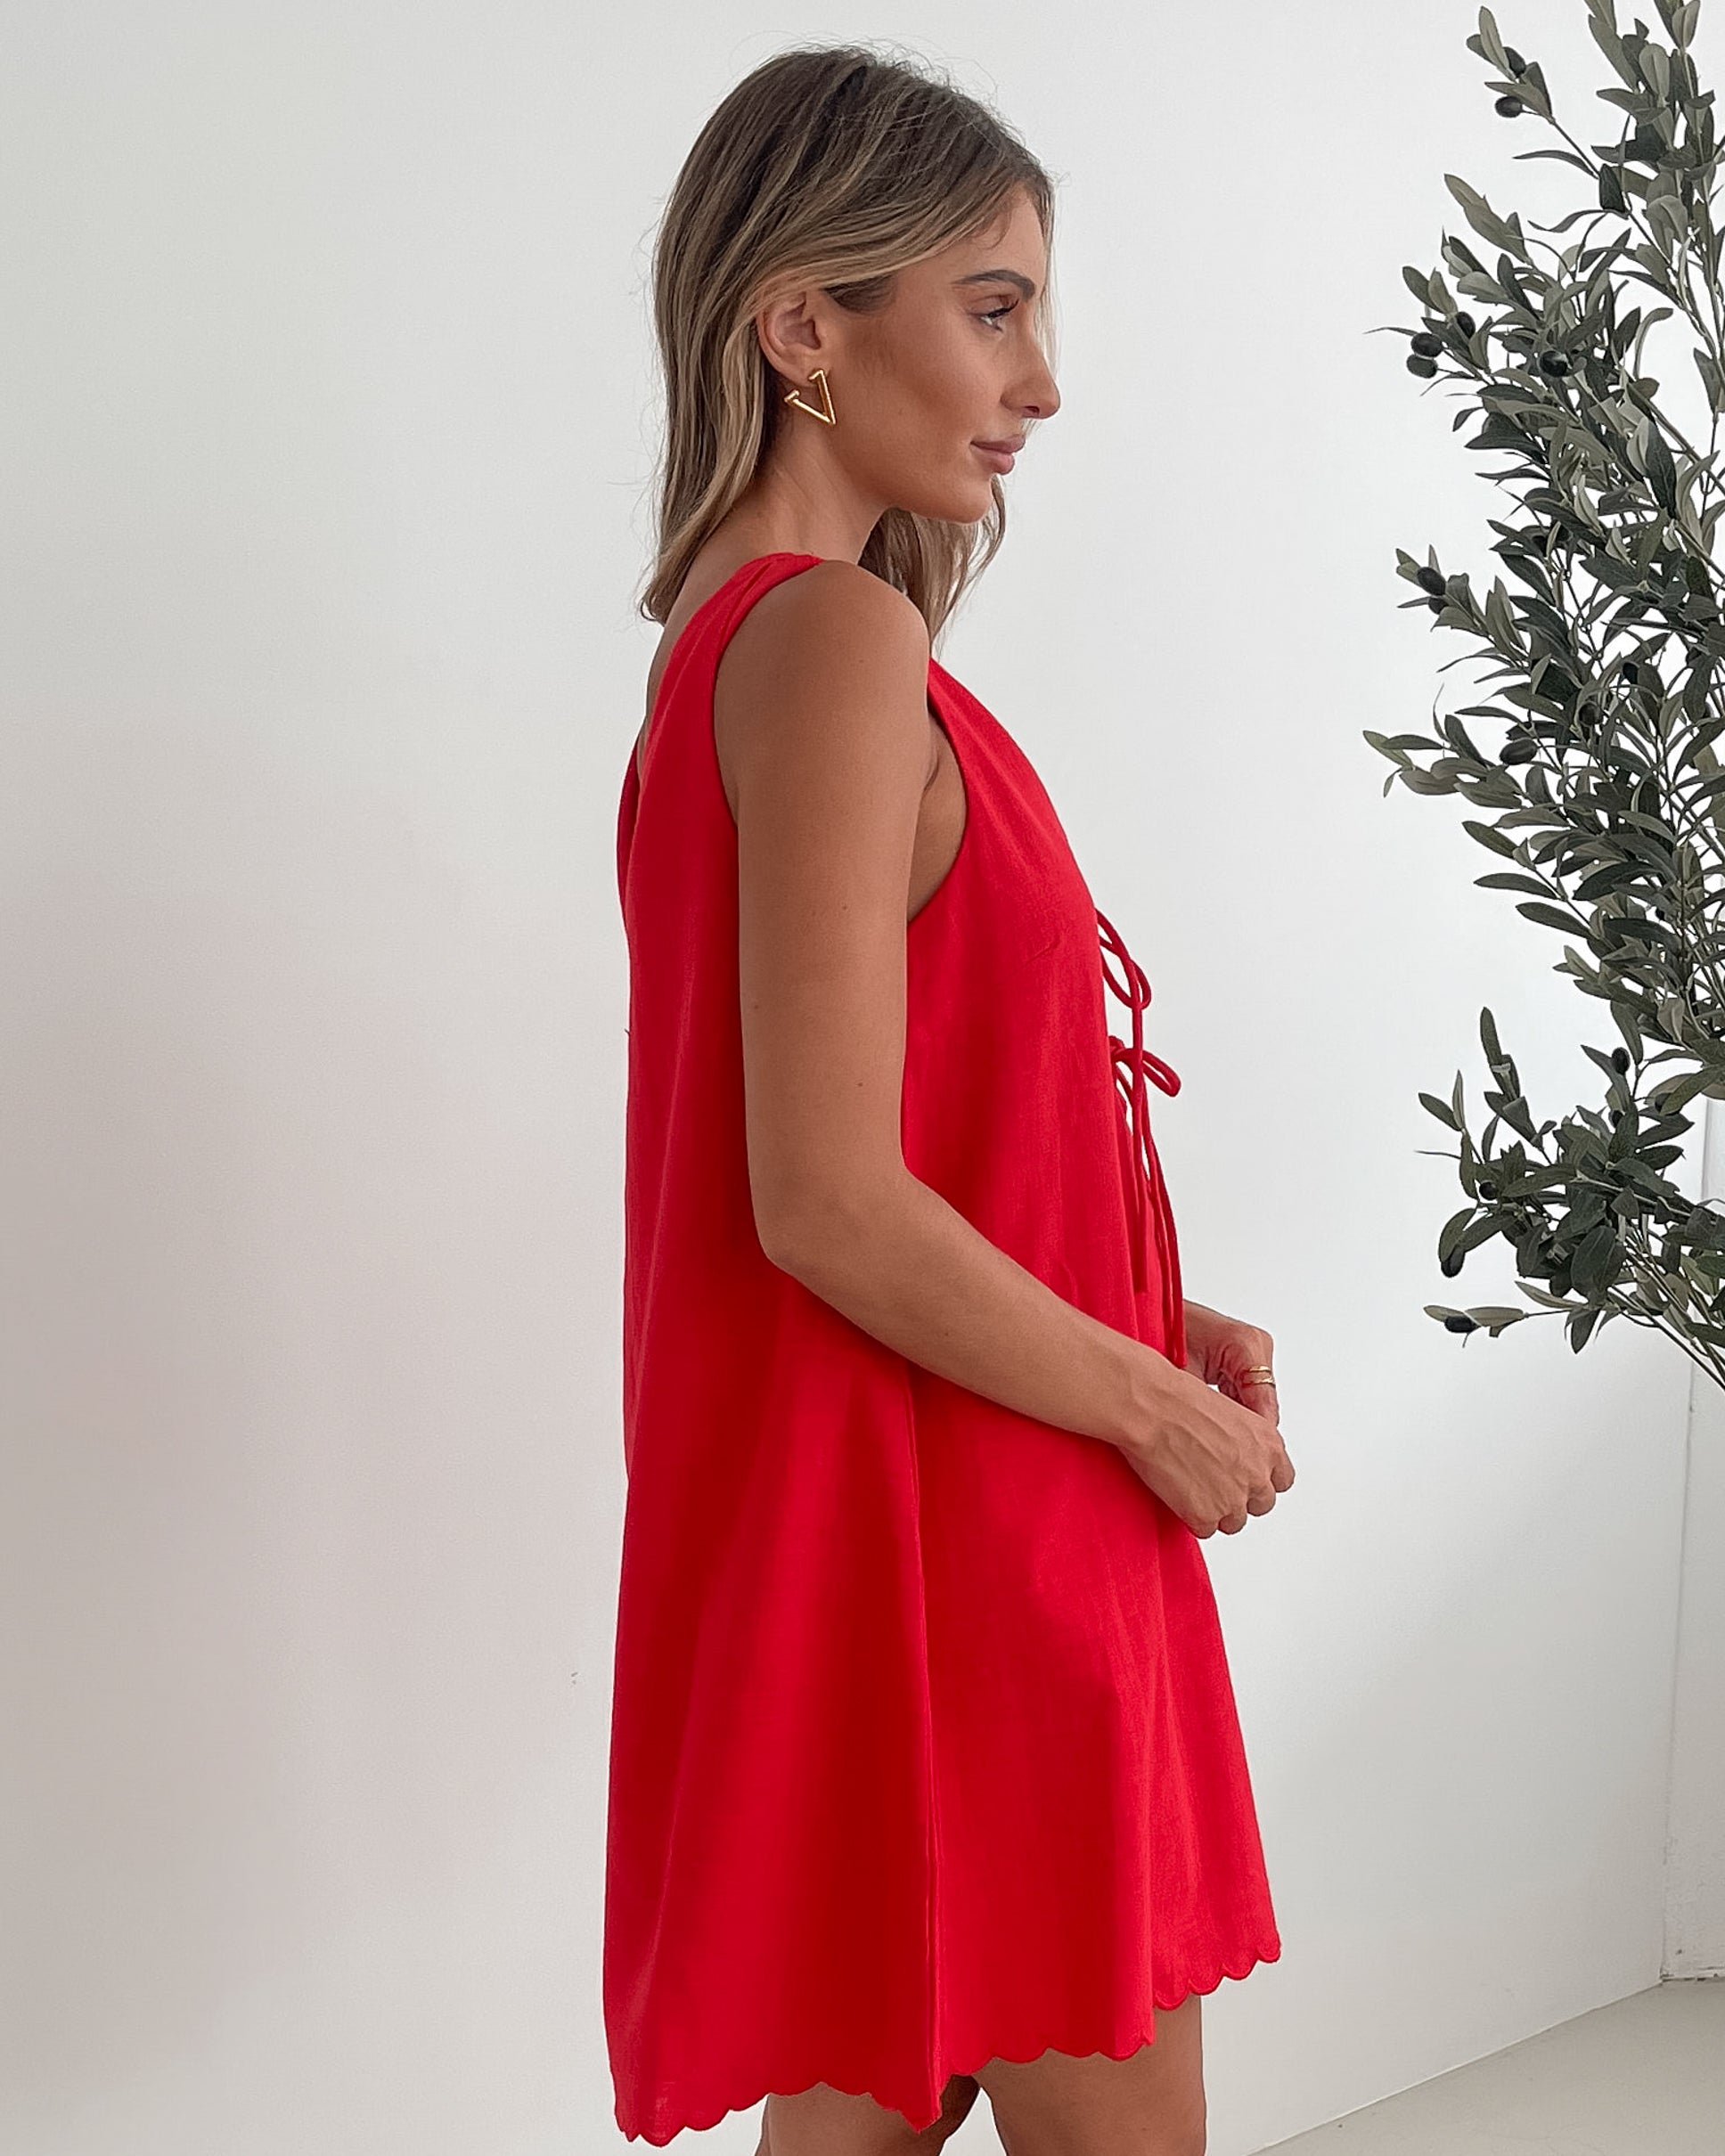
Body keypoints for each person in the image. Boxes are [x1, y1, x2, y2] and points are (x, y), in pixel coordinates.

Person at [610, 42, 1295, 2156]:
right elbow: (817, 1192)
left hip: (910, 1529)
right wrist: (1146, 1406)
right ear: (802, 323)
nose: (1041, 380)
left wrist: (1128, 1296)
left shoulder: (752, 647)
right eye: (989, 306)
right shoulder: (823, 645)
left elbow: (882, 1141)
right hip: (976, 1557)